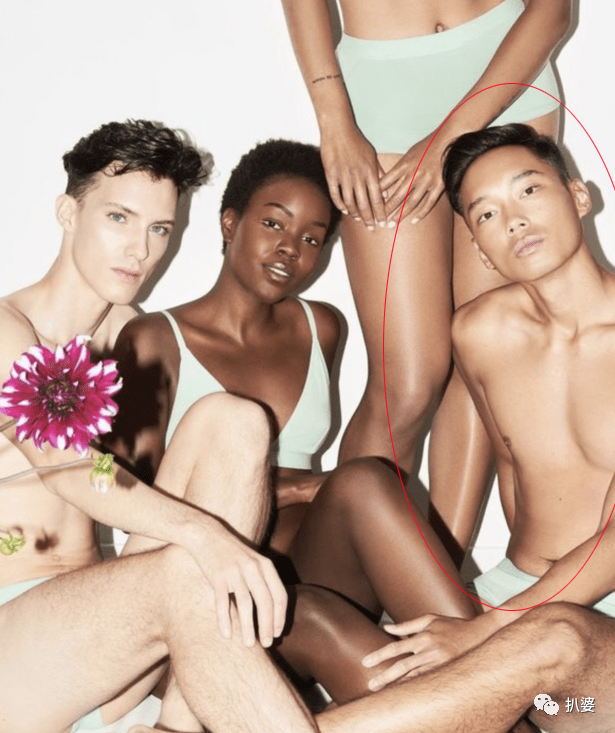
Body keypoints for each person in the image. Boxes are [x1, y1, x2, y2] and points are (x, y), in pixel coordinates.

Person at [106, 138, 478, 707]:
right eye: (274, 224)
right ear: (230, 223)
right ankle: (504, 681)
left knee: (365, 480)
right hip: (206, 589)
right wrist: (301, 486)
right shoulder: (155, 339)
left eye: (311, 238)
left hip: (311, 566)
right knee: (329, 616)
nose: (290, 249)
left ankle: (487, 654)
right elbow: (127, 495)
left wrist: (317, 489)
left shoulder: (320, 326)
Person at [0, 119, 322, 733]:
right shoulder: (7, 332)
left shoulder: (130, 330)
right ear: (68, 212)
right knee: (185, 570)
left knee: (234, 420)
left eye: (159, 229)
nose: (140, 250)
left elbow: (173, 477)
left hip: (106, 635)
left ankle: (179, 719)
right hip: (14, 651)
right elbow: (70, 466)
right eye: (118, 218)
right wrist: (209, 538)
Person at [280, 0, 572, 563]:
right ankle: (340, 581)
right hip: (380, 94)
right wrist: (334, 119)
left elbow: (553, 9)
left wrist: (447, 139)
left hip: (505, 75)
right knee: (406, 384)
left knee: (485, 363)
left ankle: (443, 576)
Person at [356, 123, 615, 725]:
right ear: (478, 247)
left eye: (529, 191)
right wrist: (448, 583)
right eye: (488, 214)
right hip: (510, 591)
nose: (515, 221)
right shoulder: (479, 333)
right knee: (358, 653)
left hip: (587, 630)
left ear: (579, 196)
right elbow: (504, 461)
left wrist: (483, 633)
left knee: (535, 687)